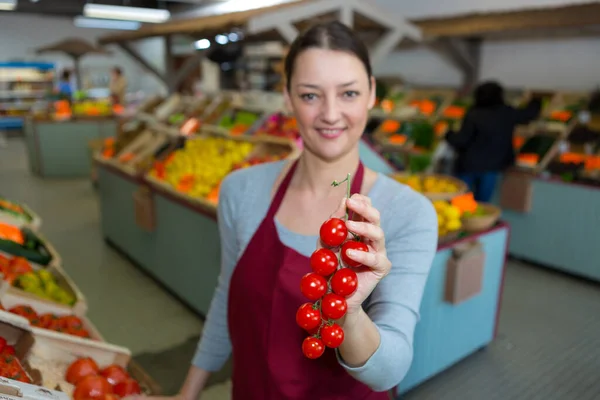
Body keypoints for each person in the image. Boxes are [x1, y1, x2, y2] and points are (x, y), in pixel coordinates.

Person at [140, 21, 437, 400]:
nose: (331, 114)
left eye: (348, 93)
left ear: (371, 94)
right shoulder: (241, 190)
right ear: (288, 97)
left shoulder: (408, 214)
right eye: (311, 95)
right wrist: (189, 391)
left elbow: (388, 372)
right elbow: (226, 296)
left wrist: (347, 310)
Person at [445, 81, 542, 202]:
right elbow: (529, 114)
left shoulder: (474, 114)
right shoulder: (506, 112)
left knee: (460, 201)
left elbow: (462, 139)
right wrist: (537, 98)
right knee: (483, 204)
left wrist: (448, 134)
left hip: (469, 164)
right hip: (493, 166)